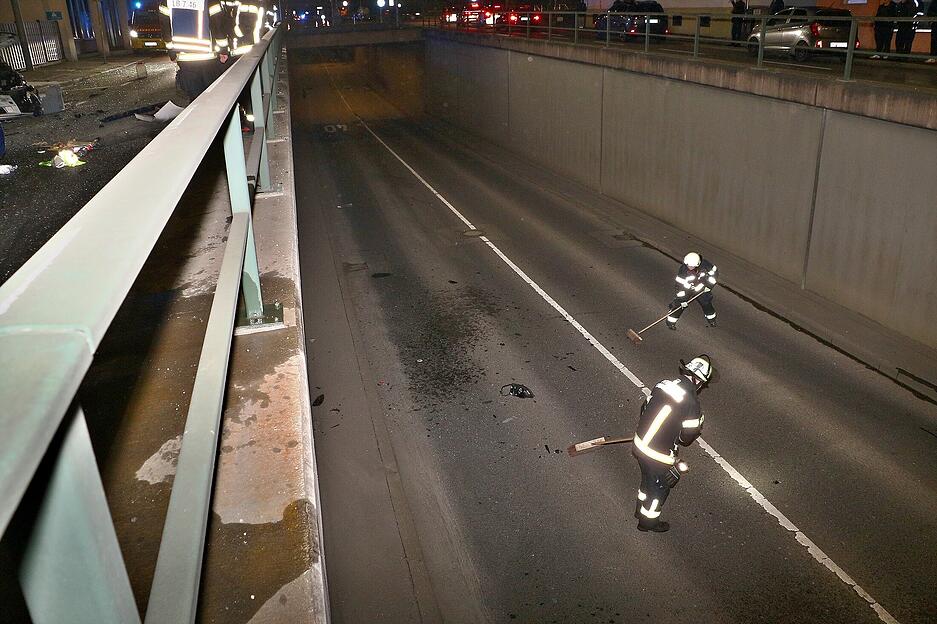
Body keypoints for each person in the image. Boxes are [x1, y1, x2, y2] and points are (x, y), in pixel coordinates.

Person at [633, 356, 712, 533]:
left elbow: (644, 407)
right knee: (659, 489)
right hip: (657, 454)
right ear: (698, 380)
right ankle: (647, 523)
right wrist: (698, 422)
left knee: (647, 481)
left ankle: (639, 510)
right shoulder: (692, 403)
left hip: (639, 443)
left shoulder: (663, 384)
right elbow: (686, 439)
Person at [159, 0, 235, 105]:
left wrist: (171, 51)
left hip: (184, 58)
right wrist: (223, 50)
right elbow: (218, 24)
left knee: (195, 99)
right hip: (207, 56)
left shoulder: (167, 1)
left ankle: (199, 119)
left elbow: (165, 27)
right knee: (212, 96)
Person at [667, 252, 718, 330]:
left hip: (701, 288)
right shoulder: (683, 270)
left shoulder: (705, 265)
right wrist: (682, 299)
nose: (689, 267)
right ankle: (671, 322)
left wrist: (709, 285)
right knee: (679, 305)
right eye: (688, 265)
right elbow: (679, 285)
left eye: (692, 266)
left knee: (706, 303)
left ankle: (711, 320)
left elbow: (714, 273)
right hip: (687, 289)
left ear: (698, 264)